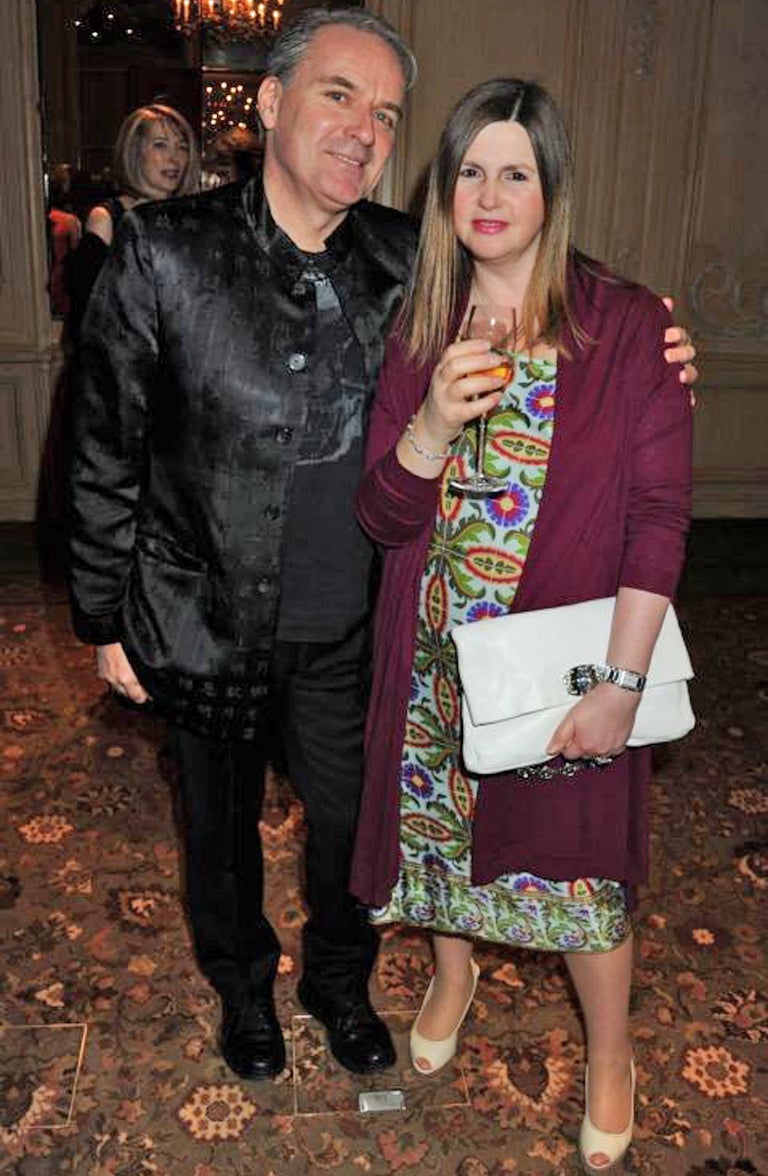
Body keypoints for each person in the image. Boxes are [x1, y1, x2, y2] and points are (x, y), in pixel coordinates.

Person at [67, 10, 696, 1089]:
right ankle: (244, 990)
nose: (364, 128)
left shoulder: (407, 258)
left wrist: (655, 337)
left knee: (355, 827)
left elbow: (536, 262)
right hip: (202, 613)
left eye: (388, 113)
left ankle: (338, 984)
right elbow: (102, 441)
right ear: (272, 103)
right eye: (338, 95)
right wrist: (102, 614)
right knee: (217, 835)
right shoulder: (165, 249)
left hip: (353, 621)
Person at [350, 78, 692, 1174]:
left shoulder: (627, 327)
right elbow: (381, 517)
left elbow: (656, 522)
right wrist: (431, 423)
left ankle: (611, 1054)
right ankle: (454, 973)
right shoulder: (421, 325)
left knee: (580, 878)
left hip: (562, 670)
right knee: (441, 847)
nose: (489, 196)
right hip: (433, 662)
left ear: (553, 189)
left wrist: (620, 686)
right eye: (469, 171)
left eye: (515, 173)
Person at [67, 103, 200, 341]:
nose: (175, 158)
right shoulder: (106, 220)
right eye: (160, 145)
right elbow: (86, 319)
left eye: (182, 147)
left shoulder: (192, 218)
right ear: (135, 152)